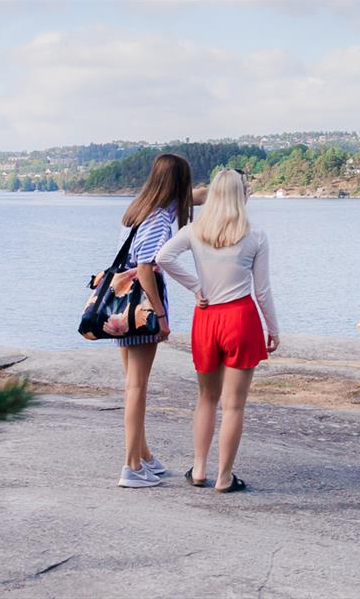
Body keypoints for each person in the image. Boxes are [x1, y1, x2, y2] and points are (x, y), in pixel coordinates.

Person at [155, 168, 278, 493]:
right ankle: (224, 477)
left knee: (206, 398)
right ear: (241, 196)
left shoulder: (195, 231)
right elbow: (262, 291)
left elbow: (163, 256)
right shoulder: (255, 236)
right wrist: (273, 327)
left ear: (213, 194)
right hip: (240, 318)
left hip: (207, 319)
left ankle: (198, 469)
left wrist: (196, 286)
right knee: (234, 405)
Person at [112, 153, 202, 488]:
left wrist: (221, 188)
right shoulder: (159, 219)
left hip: (122, 303)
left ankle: (144, 455)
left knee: (131, 384)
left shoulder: (138, 207)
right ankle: (131, 466)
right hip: (141, 305)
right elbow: (147, 267)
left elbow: (196, 196)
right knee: (137, 387)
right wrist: (161, 316)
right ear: (178, 183)